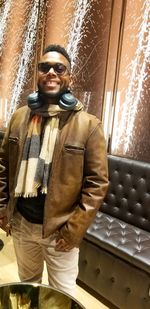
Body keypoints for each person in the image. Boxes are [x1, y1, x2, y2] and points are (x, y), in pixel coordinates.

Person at [0, 44, 108, 297]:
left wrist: (74, 230)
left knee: (63, 293)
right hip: (23, 224)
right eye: (44, 67)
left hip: (61, 231)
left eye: (59, 68)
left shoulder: (88, 125)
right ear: (37, 74)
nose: (51, 72)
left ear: (69, 77)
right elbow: (3, 167)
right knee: (28, 285)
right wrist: (3, 208)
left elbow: (97, 184)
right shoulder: (18, 118)